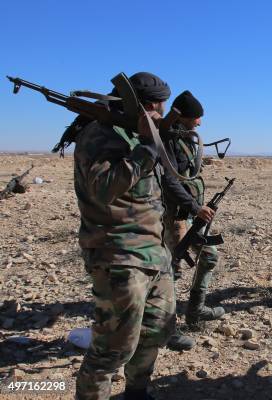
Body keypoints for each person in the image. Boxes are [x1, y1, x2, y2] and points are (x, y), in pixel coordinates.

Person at [73, 72, 176, 400]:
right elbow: (104, 189)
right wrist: (147, 147)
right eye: (157, 105)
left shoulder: (135, 134)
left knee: (156, 330)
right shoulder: (100, 135)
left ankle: (136, 393)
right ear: (142, 105)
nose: (161, 111)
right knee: (112, 350)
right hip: (117, 254)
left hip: (153, 253)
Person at [161, 91, 224, 346]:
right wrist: (193, 206)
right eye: (196, 118)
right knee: (172, 271)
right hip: (175, 215)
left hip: (189, 214)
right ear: (184, 116)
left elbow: (185, 172)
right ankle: (167, 328)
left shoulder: (183, 138)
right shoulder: (166, 140)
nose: (199, 123)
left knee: (208, 256)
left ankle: (195, 311)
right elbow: (168, 180)